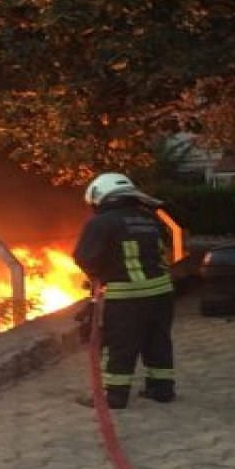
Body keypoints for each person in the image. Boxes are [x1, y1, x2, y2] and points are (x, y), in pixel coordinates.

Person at [72, 172, 176, 409]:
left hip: (127, 295)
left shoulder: (101, 222)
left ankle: (114, 396)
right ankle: (162, 389)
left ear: (99, 197)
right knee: (158, 340)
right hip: (162, 292)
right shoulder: (151, 219)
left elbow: (85, 257)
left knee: (120, 344)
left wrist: (97, 275)